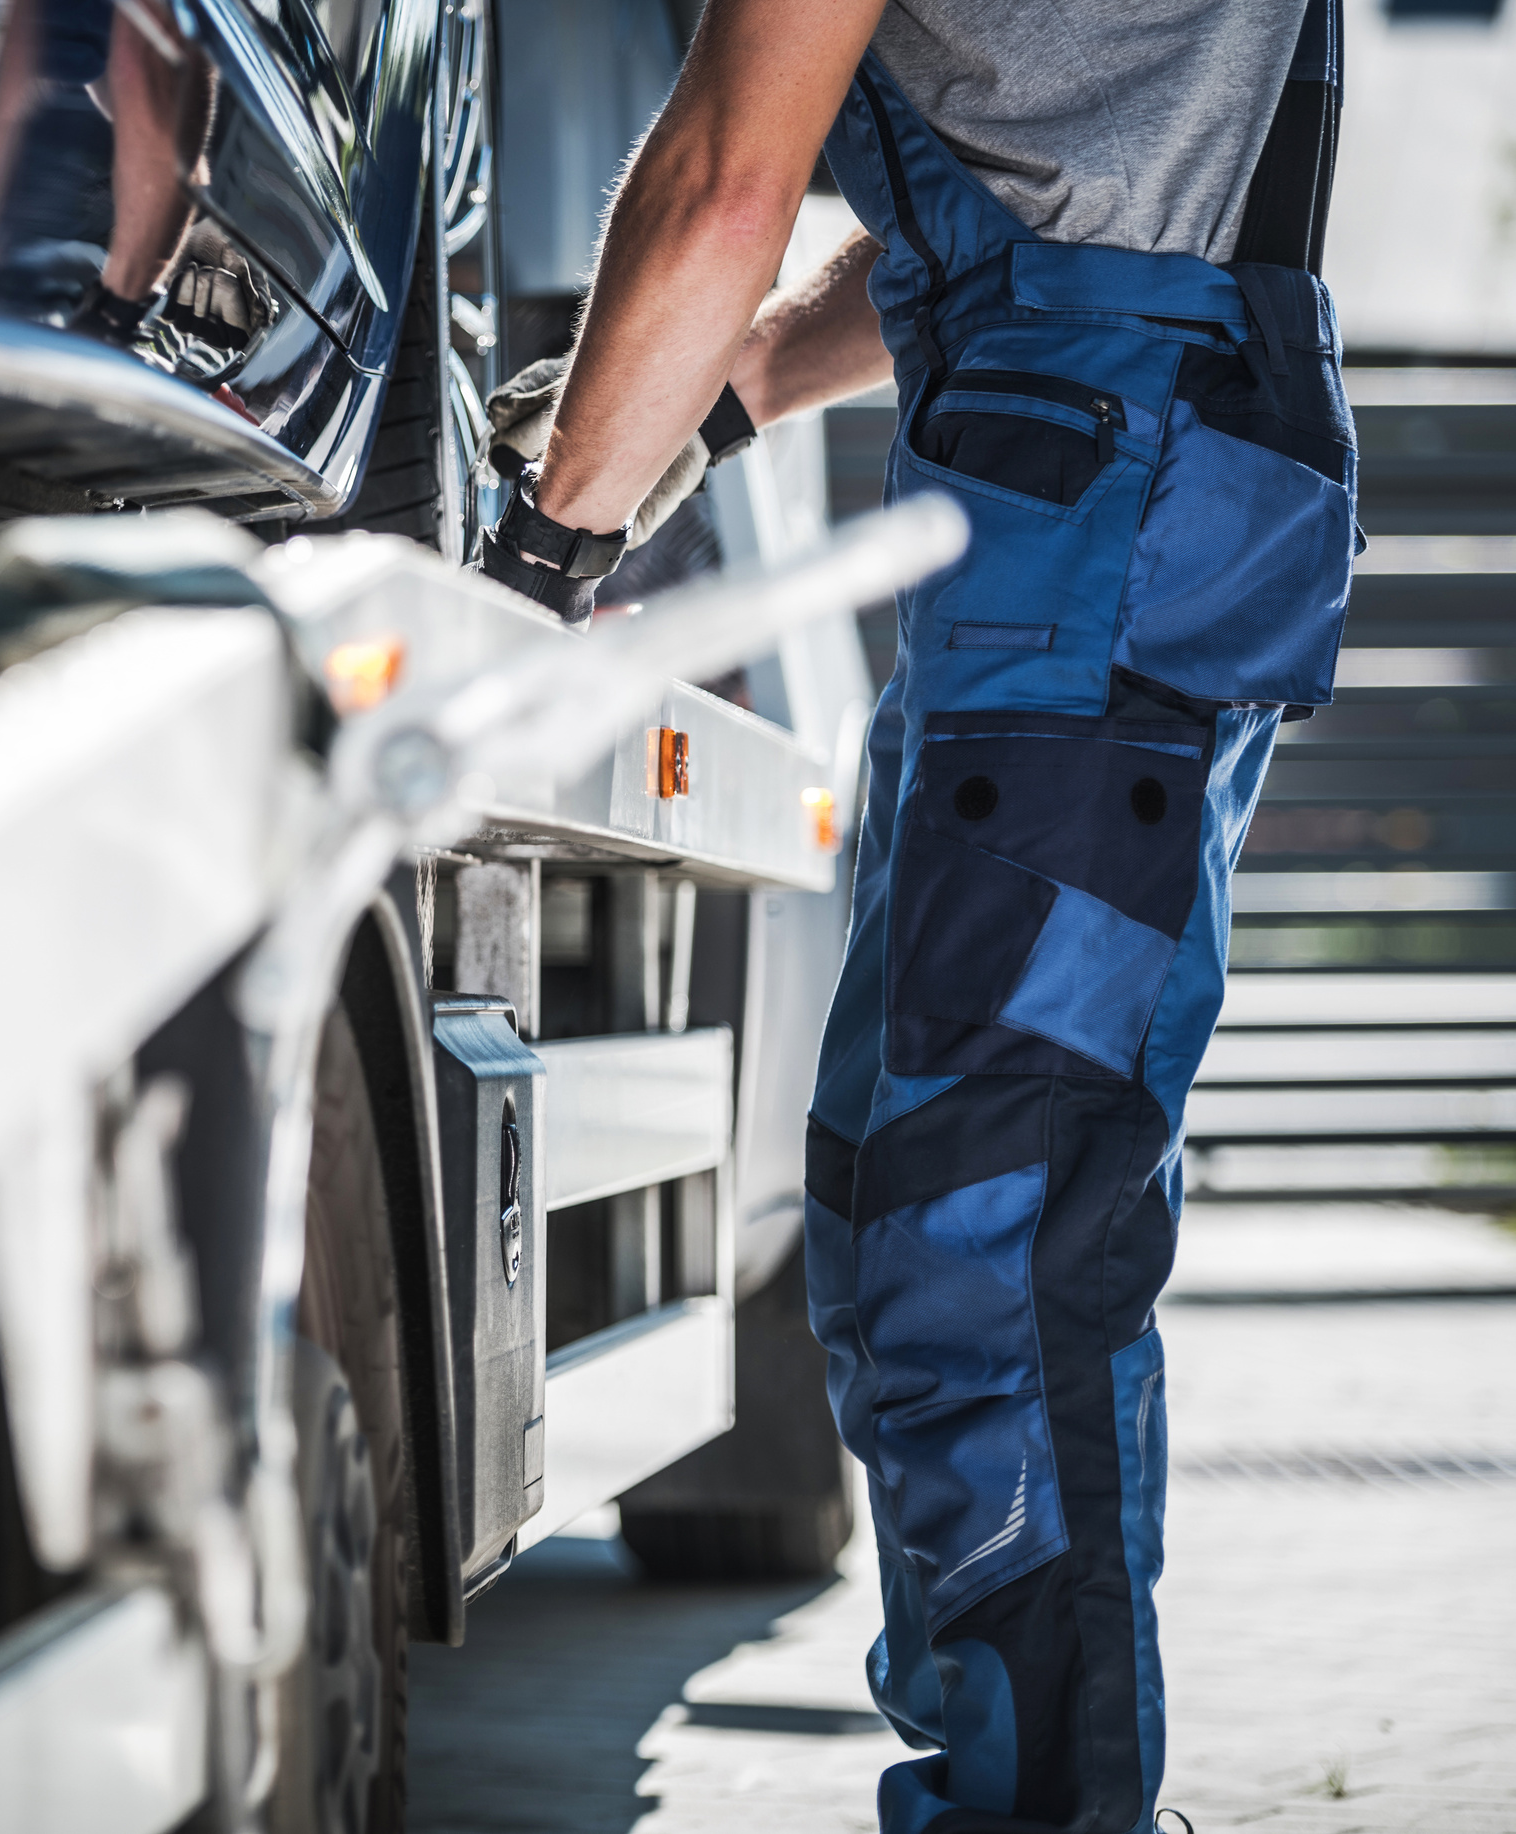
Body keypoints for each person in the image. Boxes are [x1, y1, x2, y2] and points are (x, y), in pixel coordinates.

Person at [480, 1, 1353, 1829]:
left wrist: (533, 564)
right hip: (1113, 454)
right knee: (925, 1201)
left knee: (989, 1222)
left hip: (1100, 487)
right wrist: (710, 410)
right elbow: (1029, 206)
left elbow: (728, 180)